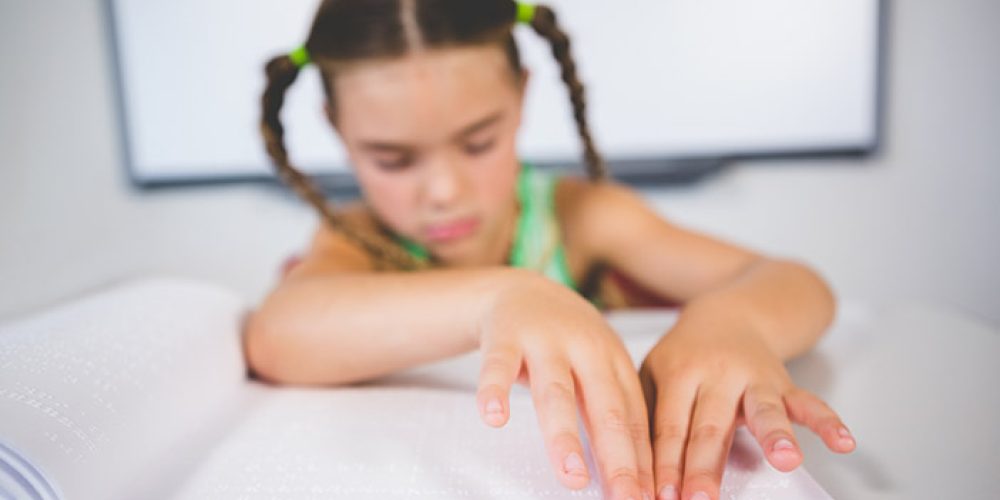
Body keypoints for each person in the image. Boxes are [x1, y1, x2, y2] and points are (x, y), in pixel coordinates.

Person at [244, 1, 856, 499]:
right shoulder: (359, 241)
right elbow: (278, 333)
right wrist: (502, 295)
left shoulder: (582, 218)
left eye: (479, 142)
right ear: (336, 130)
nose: (444, 192)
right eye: (392, 159)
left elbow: (796, 282)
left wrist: (734, 321)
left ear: (521, 98)